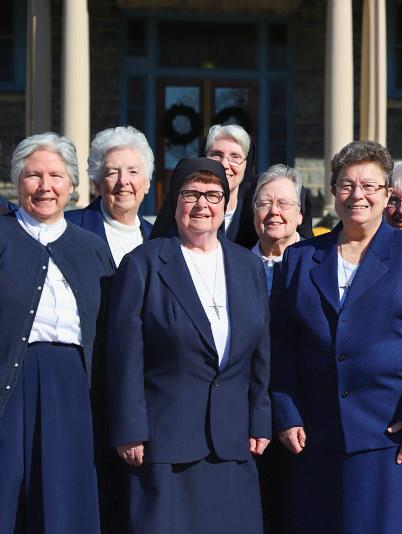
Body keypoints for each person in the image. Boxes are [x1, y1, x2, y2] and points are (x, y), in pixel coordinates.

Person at [271, 140, 402, 534]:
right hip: (323, 439)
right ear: (333, 191)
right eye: (346, 185)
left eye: (369, 186)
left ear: (387, 193)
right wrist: (287, 412)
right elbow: (281, 345)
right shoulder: (300, 258)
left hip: (401, 436)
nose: (357, 195)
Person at [105, 157, 271, 534]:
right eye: (191, 194)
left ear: (227, 204)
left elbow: (260, 350)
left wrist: (260, 418)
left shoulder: (247, 266)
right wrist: (130, 428)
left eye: (213, 195)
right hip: (167, 441)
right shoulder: (144, 264)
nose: (202, 205)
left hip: (231, 441)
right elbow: (125, 354)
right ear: (173, 201)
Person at [0, 132, 115, 534]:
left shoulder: (92, 247)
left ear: (71, 185)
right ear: (17, 182)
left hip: (73, 388)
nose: (45, 186)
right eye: (33, 176)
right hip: (9, 388)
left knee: (65, 497)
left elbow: (110, 333)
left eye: (55, 176)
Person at [65, 126, 153, 266]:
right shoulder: (68, 228)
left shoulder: (158, 237)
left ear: (147, 183)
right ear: (97, 184)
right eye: (112, 173)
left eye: (133, 172)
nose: (123, 181)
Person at [251, 164, 303, 295]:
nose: (274, 211)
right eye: (264, 204)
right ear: (254, 214)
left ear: (299, 215)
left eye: (283, 203)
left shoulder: (319, 265)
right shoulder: (235, 266)